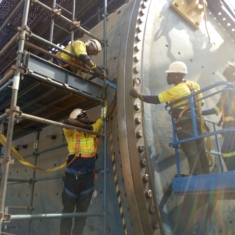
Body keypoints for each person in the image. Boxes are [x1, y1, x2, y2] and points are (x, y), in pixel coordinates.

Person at [129, 61, 210, 175]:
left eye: (169, 74)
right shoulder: (193, 85)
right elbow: (200, 103)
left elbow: (157, 99)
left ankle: (199, 179)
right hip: (198, 122)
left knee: (191, 152)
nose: (167, 77)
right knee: (201, 152)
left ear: (177, 75)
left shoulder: (177, 90)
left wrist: (138, 95)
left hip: (186, 125)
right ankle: (206, 174)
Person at [60, 97, 117, 235]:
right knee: (68, 212)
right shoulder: (71, 132)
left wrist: (114, 98)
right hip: (72, 178)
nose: (86, 117)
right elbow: (67, 121)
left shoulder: (93, 129)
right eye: (82, 115)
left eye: (86, 115)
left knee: (82, 213)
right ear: (77, 119)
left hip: (87, 178)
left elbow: (104, 116)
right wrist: (87, 127)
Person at [202, 62, 235, 171]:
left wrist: (200, 113)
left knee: (226, 151)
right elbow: (225, 108)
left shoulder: (228, 89)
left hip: (231, 126)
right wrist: (221, 121)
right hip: (229, 125)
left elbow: (218, 108)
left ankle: (232, 173)